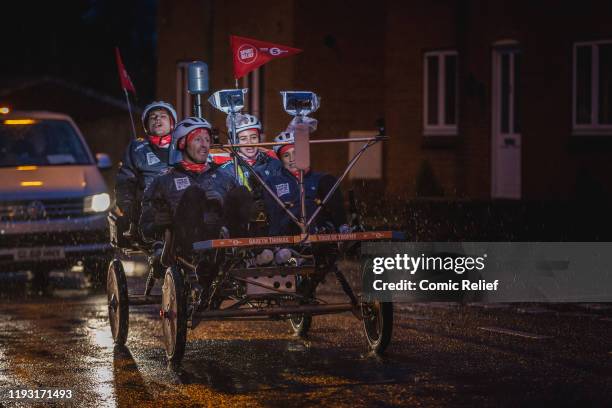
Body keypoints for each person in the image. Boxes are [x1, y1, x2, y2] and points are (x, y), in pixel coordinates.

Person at [139, 117, 251, 256]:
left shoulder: (224, 177)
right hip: (186, 248)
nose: (204, 145)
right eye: (198, 139)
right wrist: (156, 223)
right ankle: (201, 257)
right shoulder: (164, 181)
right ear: (182, 143)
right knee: (194, 194)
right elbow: (145, 229)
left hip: (224, 244)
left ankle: (242, 252)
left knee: (241, 192)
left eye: (207, 140)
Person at [264, 131, 349, 237]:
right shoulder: (273, 182)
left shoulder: (321, 179)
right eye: (286, 155)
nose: (292, 159)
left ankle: (343, 230)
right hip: (289, 233)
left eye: (296, 153)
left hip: (318, 231)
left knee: (328, 181)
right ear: (281, 160)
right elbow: (273, 214)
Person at [114, 101, 177, 231]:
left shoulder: (184, 145)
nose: (157, 119)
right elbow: (125, 180)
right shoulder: (137, 149)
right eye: (153, 117)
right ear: (147, 126)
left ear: (172, 123)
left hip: (179, 202)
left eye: (163, 116)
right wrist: (128, 209)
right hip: (149, 206)